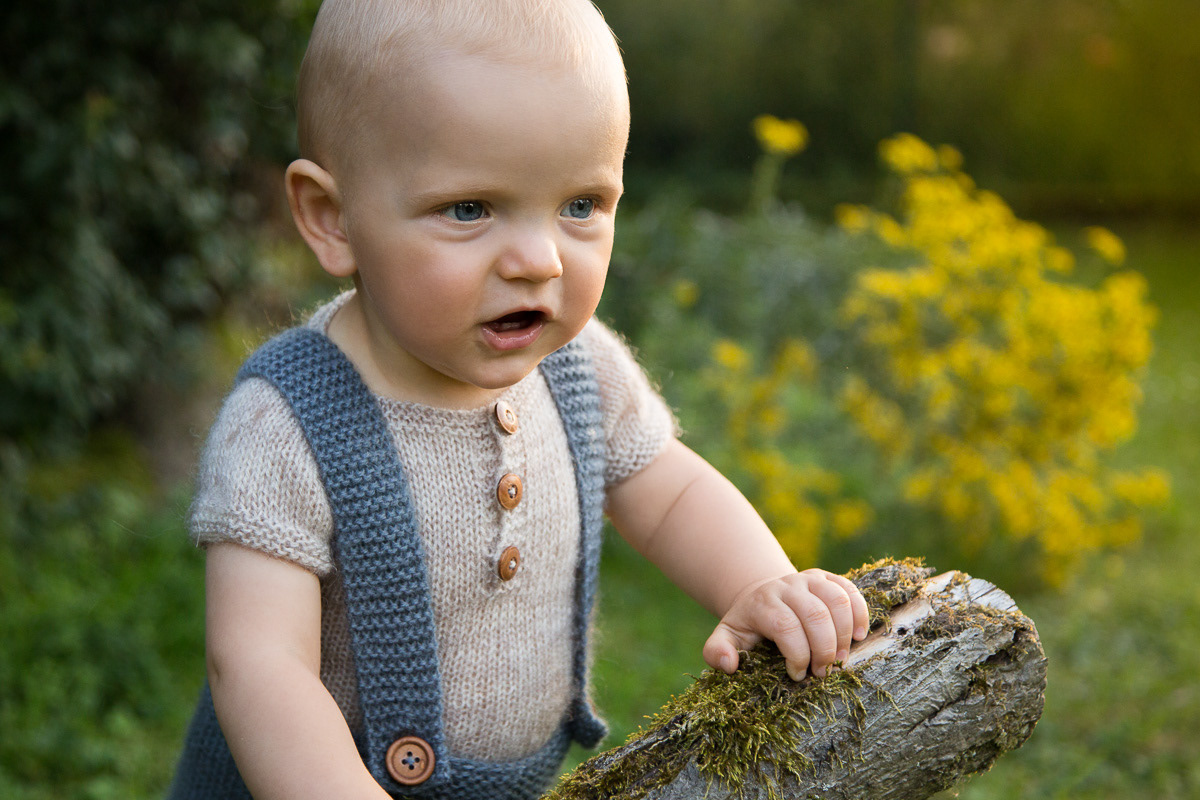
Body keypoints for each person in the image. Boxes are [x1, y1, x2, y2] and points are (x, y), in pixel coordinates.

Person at [169, 1, 870, 798]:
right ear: (333, 220)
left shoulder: (579, 371)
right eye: (470, 209)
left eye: (581, 205)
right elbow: (259, 664)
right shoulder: (286, 423)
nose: (539, 261)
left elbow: (669, 494)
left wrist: (756, 584)